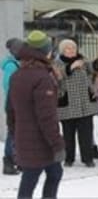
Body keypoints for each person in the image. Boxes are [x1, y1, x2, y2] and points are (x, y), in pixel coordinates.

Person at [7, 30, 65, 199]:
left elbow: (10, 110)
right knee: (35, 177)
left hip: (24, 137)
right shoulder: (42, 78)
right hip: (41, 141)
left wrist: (14, 133)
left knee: (49, 174)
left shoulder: (17, 75)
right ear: (44, 51)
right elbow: (47, 116)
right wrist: (57, 144)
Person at [54, 39, 98, 168]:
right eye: (68, 48)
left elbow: (93, 71)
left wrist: (96, 65)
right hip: (67, 104)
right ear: (63, 50)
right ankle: (69, 158)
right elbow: (58, 77)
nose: (71, 50)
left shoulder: (83, 60)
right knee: (68, 135)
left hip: (85, 104)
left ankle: (88, 158)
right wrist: (71, 67)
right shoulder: (57, 63)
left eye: (73, 48)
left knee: (86, 133)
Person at [1, 38, 23, 175]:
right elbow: (9, 86)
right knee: (13, 133)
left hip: (17, 104)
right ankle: (9, 161)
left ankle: (18, 160)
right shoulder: (11, 65)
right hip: (14, 105)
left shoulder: (17, 64)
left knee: (19, 133)